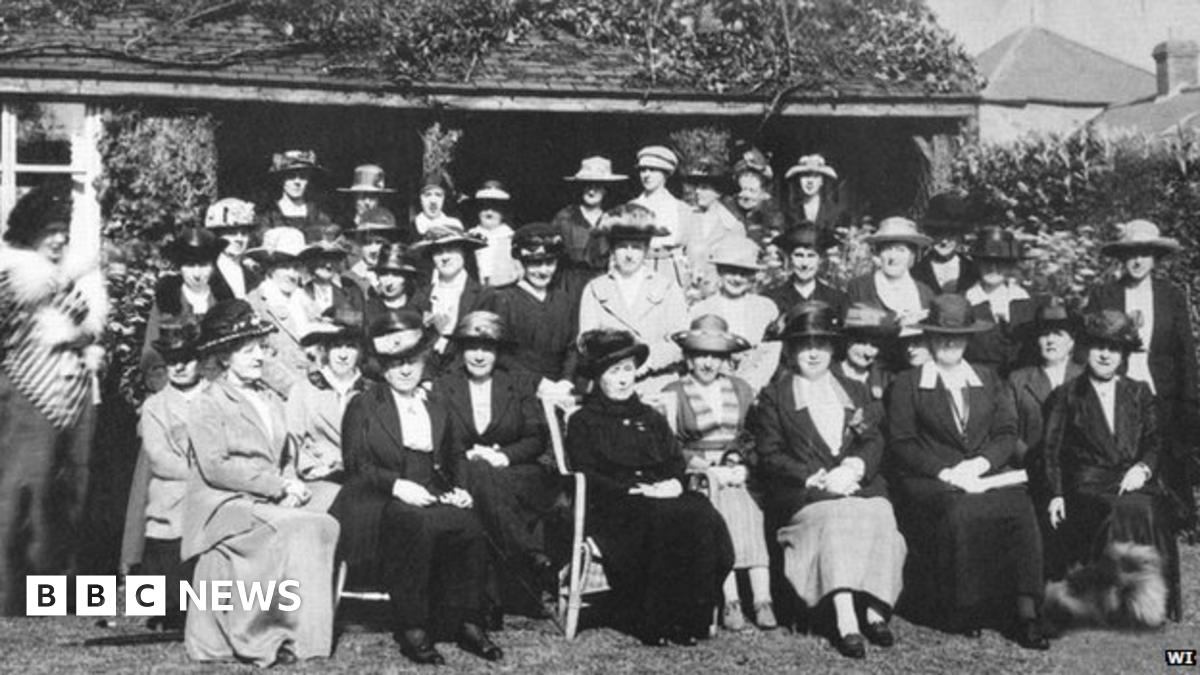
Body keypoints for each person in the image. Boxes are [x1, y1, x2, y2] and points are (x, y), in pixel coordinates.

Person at [329, 310, 499, 665]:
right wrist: (396, 486)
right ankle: (414, 626)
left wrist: (460, 488)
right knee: (416, 524)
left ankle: (467, 621)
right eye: (395, 364)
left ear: (424, 361)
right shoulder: (365, 404)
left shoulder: (437, 402)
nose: (405, 370)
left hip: (430, 488)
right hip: (377, 496)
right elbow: (356, 464)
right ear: (382, 368)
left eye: (412, 362)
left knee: (469, 524)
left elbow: (455, 454)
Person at [885, 294, 1048, 649]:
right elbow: (902, 442)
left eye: (956, 336)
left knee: (1018, 506)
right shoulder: (907, 384)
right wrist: (945, 472)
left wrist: (981, 464)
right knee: (961, 509)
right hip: (929, 478)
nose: (949, 342)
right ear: (928, 337)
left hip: (984, 471)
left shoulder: (988, 379)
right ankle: (967, 606)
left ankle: (1026, 609)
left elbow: (1006, 432)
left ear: (968, 339)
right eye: (941, 334)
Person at [182, 299, 339, 666]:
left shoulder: (269, 398)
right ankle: (272, 636)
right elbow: (216, 468)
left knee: (337, 504)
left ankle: (311, 636)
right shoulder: (208, 403)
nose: (258, 358)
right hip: (223, 504)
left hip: (264, 495)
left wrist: (290, 478)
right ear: (223, 357)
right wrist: (278, 487)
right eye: (247, 351)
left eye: (261, 350)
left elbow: (285, 455)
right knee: (308, 526)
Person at [748, 301, 906, 658]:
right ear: (791, 351)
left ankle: (875, 609)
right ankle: (846, 616)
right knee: (836, 519)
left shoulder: (854, 389)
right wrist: (812, 476)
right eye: (804, 345)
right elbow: (769, 454)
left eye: (820, 345)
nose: (813, 354)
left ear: (832, 348)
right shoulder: (776, 397)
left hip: (855, 484)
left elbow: (873, 438)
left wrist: (853, 468)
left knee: (880, 511)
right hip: (805, 494)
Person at [568, 329, 733, 646]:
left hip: (662, 494)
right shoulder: (584, 420)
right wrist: (632, 490)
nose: (622, 380)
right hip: (615, 505)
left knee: (700, 512)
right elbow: (586, 472)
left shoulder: (650, 416)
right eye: (613, 371)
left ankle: (690, 618)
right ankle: (655, 620)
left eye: (628, 370)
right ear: (598, 376)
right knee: (659, 519)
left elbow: (674, 460)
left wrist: (673, 482)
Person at [0, 183, 106, 615]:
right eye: (49, 230)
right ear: (29, 233)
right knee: (23, 493)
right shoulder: (14, 275)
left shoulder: (76, 281)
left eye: (64, 230)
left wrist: (81, 337)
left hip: (76, 395)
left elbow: (90, 325)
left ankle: (56, 590)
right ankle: (10, 595)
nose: (59, 238)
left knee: (69, 495)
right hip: (25, 395)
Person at [1042, 309, 1181, 621]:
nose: (1105, 355)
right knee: (1114, 510)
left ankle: (1148, 601)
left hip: (1131, 479)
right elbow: (1050, 451)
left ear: (1124, 355)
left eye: (1113, 348)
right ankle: (1109, 602)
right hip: (1087, 483)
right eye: (1098, 347)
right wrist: (1055, 494)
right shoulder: (1066, 395)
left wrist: (1143, 468)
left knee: (1148, 508)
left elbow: (1155, 440)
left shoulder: (1139, 392)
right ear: (1086, 350)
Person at [433, 311, 557, 618]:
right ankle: (528, 554)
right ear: (461, 351)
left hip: (518, 474)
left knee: (484, 480)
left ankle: (490, 602)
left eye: (487, 348)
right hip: (465, 472)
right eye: (472, 347)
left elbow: (535, 439)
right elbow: (444, 442)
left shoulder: (516, 385)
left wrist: (502, 457)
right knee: (477, 474)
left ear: (498, 352)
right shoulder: (444, 386)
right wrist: (473, 458)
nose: (479, 355)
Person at [662, 315, 775, 632]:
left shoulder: (741, 388)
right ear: (688, 357)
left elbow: (752, 434)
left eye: (715, 355)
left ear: (725, 358)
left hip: (737, 469)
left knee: (749, 506)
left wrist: (741, 463)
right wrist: (705, 467)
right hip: (698, 472)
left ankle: (763, 598)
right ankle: (730, 599)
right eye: (700, 354)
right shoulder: (674, 391)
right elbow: (671, 444)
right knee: (721, 507)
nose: (708, 363)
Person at [1085, 220, 1199, 532]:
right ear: (1122, 257)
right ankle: (1125, 514)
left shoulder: (1171, 296)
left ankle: (1176, 516)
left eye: (1145, 254)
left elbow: (1184, 352)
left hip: (1160, 386)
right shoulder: (1105, 294)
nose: (1137, 261)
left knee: (1165, 447)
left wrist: (1190, 400)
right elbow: (1092, 345)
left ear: (1155, 258)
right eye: (1131, 254)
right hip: (1118, 385)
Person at [129, 322, 203, 630]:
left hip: (218, 487)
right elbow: (159, 458)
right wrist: (201, 476)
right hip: (177, 487)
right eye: (172, 361)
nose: (181, 366)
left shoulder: (218, 396)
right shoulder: (155, 406)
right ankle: (167, 607)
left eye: (187, 357)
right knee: (167, 515)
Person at [578, 203, 689, 396]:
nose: (629, 255)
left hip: (657, 383)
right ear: (612, 249)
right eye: (622, 247)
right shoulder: (595, 289)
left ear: (646, 250)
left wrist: (644, 363)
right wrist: (618, 368)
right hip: (609, 386)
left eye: (636, 247)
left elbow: (679, 340)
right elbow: (586, 342)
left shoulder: (668, 287)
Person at [284, 309, 368, 513]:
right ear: (324, 350)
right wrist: (295, 478)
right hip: (319, 478)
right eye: (336, 346)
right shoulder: (305, 388)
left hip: (365, 480)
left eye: (351, 347)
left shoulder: (371, 391)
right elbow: (291, 441)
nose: (343, 354)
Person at [486, 222, 581, 391]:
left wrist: (566, 380)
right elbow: (501, 353)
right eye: (535, 264)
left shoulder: (565, 300)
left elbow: (573, 346)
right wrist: (538, 383)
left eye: (550, 262)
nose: (544, 271)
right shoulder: (503, 300)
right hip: (516, 390)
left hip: (559, 390)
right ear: (521, 263)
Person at [142, 227, 232, 391]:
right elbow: (151, 355)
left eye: (203, 265)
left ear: (213, 266)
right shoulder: (166, 302)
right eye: (190, 265)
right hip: (175, 388)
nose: (197, 274)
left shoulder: (224, 303)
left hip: (219, 388)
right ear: (180, 267)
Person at [689, 237, 780, 392]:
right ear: (720, 271)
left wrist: (753, 384)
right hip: (713, 386)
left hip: (758, 387)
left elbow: (772, 353)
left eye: (744, 273)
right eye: (731, 271)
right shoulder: (701, 309)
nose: (737, 279)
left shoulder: (766, 308)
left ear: (753, 276)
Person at [410, 224, 493, 378]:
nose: (445, 257)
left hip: (467, 379)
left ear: (463, 252)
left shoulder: (484, 296)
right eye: (438, 252)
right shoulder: (421, 297)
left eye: (451, 249)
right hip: (426, 378)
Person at [244, 226, 313, 397]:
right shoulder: (255, 304)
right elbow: (260, 357)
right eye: (285, 266)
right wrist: (297, 391)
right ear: (269, 268)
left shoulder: (307, 301)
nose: (292, 274)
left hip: (314, 391)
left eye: (296, 267)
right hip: (278, 394)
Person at [963, 226, 1036, 376]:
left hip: (1021, 388)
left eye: (1000, 262)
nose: (993, 268)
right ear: (977, 263)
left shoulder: (1027, 302)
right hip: (979, 386)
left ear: (1010, 265)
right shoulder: (964, 303)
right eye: (986, 261)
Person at [846, 216, 935, 328]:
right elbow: (852, 319)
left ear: (911, 256)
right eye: (887, 249)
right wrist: (895, 321)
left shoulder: (924, 292)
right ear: (878, 254)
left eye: (901, 250)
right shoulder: (860, 287)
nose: (893, 257)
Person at [676, 158, 746, 297]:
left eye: (704, 188)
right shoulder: (688, 217)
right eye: (697, 187)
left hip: (719, 294)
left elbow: (736, 268)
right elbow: (678, 254)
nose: (697, 192)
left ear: (718, 192)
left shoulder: (733, 227)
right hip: (688, 292)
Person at [552, 155, 623, 275]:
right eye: (588, 185)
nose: (591, 191)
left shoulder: (614, 218)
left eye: (597, 186)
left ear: (605, 189)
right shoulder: (565, 217)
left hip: (603, 281)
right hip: (570, 283)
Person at [631, 145, 689, 285]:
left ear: (665, 173)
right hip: (639, 270)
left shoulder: (681, 209)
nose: (646, 175)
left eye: (653, 170)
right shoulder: (631, 208)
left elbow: (691, 251)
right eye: (643, 170)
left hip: (672, 272)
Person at [764, 223, 847, 318]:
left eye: (811, 256)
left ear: (820, 260)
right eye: (799, 255)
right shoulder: (772, 298)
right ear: (790, 259)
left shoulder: (836, 299)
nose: (805, 264)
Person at [911, 192, 980, 295]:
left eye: (951, 234)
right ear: (930, 234)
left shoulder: (973, 271)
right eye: (938, 233)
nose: (944, 241)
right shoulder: (916, 272)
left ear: (960, 236)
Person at [257, 149, 335, 240]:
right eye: (291, 177)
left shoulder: (319, 214)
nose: (297, 182)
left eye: (302, 177)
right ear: (282, 180)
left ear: (308, 180)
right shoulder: (268, 215)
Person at [729, 146, 786, 258]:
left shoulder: (772, 214)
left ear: (763, 193)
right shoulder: (729, 207)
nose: (746, 196)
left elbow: (773, 245)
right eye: (743, 189)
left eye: (752, 191)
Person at [837, 302, 900, 400]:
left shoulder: (886, 379)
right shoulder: (831, 375)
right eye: (861, 343)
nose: (868, 352)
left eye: (875, 345)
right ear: (847, 341)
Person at [299, 224, 363, 321]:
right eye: (323, 258)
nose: (328, 265)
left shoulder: (350, 290)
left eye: (332, 258)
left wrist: (337, 315)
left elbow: (363, 320)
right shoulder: (301, 293)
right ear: (311, 261)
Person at [467, 180, 521, 287]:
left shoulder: (512, 238)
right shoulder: (469, 237)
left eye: (495, 207)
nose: (489, 212)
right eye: (485, 207)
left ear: (503, 211)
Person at [205, 197, 260, 299]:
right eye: (231, 233)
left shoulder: (253, 276)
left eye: (244, 233)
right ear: (217, 236)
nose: (239, 239)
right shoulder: (207, 274)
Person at [343, 206, 407, 295]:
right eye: (367, 243)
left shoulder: (402, 278)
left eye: (379, 242)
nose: (373, 250)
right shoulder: (349, 279)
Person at [784, 154, 847, 241]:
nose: (810, 181)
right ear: (799, 180)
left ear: (821, 181)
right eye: (805, 176)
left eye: (815, 176)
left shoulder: (833, 211)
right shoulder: (789, 211)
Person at [363, 242, 422, 329]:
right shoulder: (368, 309)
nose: (389, 282)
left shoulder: (420, 307)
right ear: (378, 276)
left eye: (396, 274)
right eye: (384, 274)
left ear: (407, 277)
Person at [413, 173, 464, 238]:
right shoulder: (413, 228)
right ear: (420, 199)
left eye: (438, 195)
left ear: (444, 198)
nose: (433, 201)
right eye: (428, 195)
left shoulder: (455, 225)